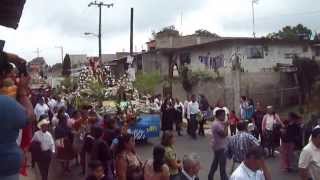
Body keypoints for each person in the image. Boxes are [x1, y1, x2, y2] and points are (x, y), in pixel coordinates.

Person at [208, 109, 228, 180]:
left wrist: (225, 124)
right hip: (220, 147)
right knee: (222, 166)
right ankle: (224, 178)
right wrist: (226, 126)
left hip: (217, 146)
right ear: (219, 116)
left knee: (215, 164)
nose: (224, 117)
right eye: (223, 115)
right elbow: (224, 134)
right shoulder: (217, 124)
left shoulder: (217, 122)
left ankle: (210, 176)